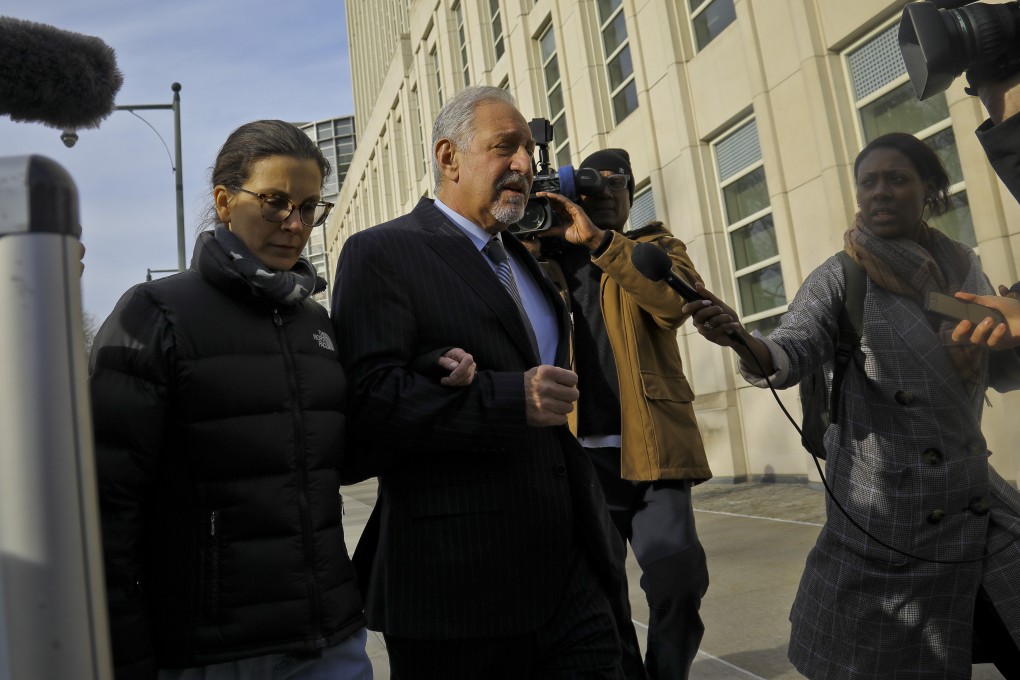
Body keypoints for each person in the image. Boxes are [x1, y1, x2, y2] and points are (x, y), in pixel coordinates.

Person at [330, 85, 641, 679]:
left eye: (528, 149)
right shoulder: (382, 252)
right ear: (448, 157)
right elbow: (370, 403)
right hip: (456, 587)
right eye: (506, 147)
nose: (525, 164)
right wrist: (507, 398)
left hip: (571, 574)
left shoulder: (524, 257)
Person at [683, 132, 1020, 678]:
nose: (879, 192)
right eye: (869, 181)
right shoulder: (843, 275)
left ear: (929, 190)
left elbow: (993, 363)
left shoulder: (964, 268)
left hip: (977, 502)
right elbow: (792, 347)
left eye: (897, 179)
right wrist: (746, 342)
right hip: (889, 525)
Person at [89, 120, 373, 680]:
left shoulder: (317, 322)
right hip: (210, 651)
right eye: (274, 203)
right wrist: (126, 655)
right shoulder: (155, 313)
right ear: (224, 201)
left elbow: (340, 460)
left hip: (329, 640)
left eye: (310, 206)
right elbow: (106, 509)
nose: (296, 224)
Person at [522, 148, 711, 680]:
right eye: (594, 186)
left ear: (631, 194)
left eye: (619, 184)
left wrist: (602, 244)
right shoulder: (543, 257)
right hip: (578, 458)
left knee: (678, 583)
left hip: (653, 448)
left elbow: (676, 305)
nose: (607, 194)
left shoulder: (655, 246)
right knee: (602, 596)